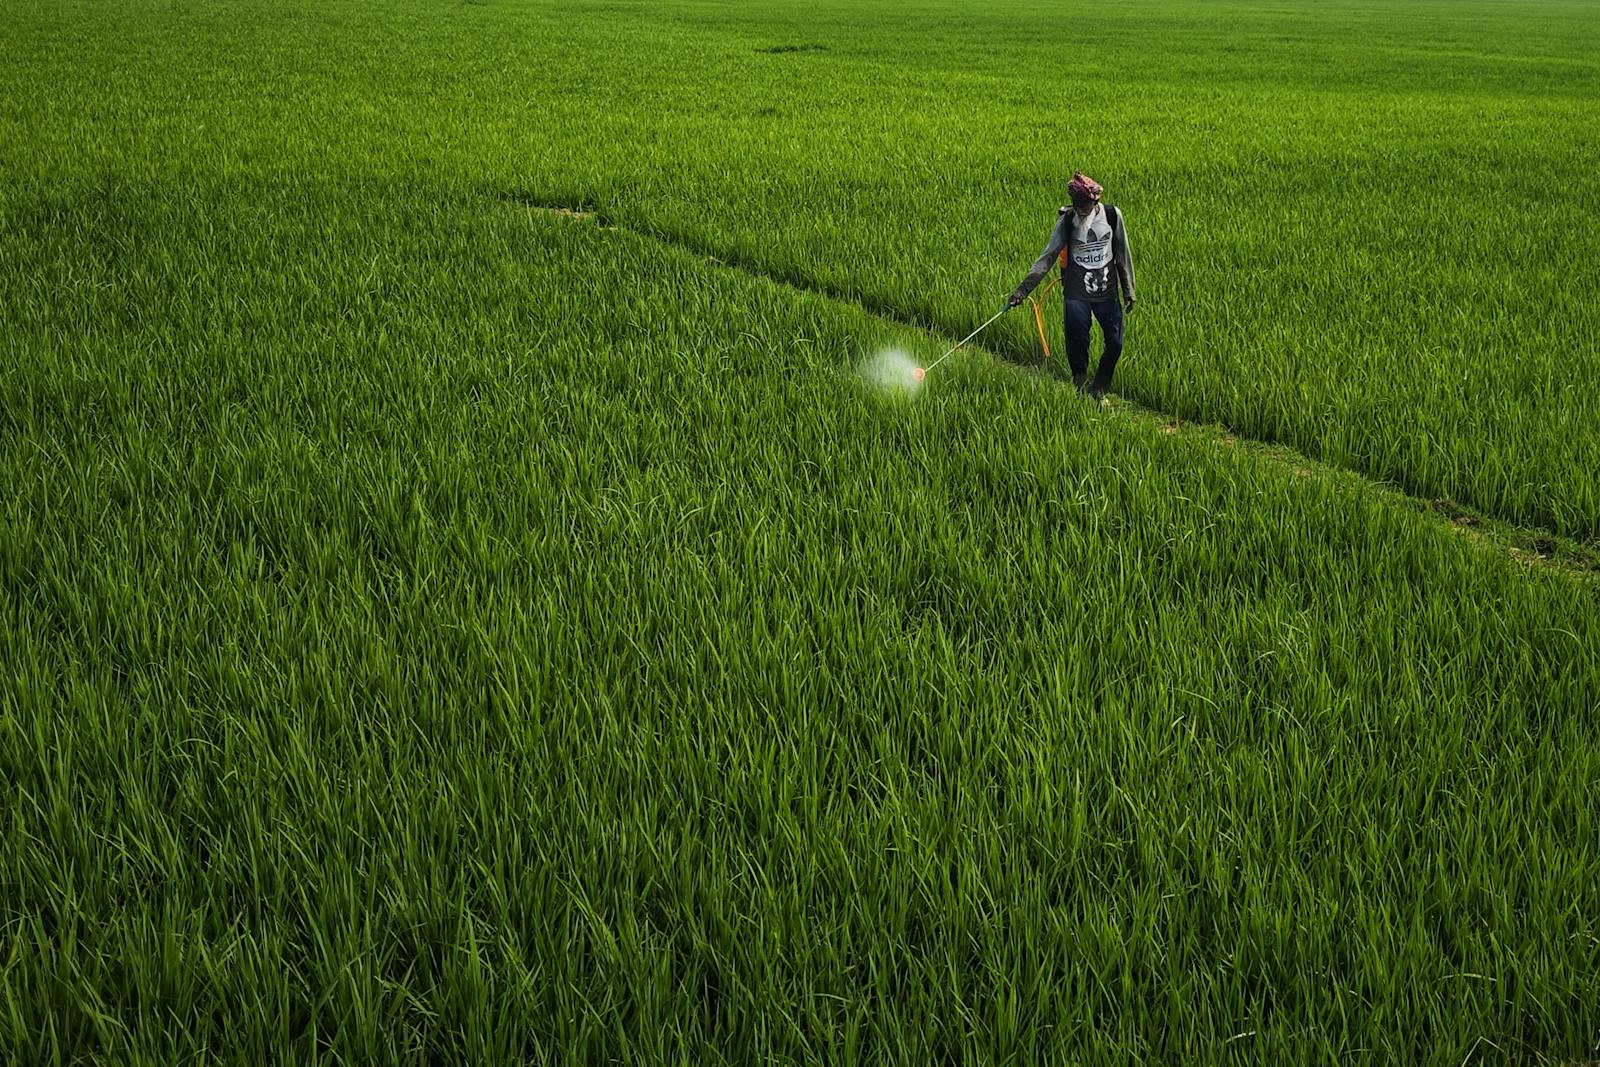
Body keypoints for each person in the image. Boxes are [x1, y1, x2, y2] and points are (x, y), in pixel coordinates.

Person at [1007, 171, 1136, 402]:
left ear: (1094, 201)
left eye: (1084, 204)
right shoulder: (1067, 221)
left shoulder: (1112, 215)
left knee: (1115, 342)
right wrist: (1022, 290)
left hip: (1106, 288)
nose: (1080, 208)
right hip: (1077, 290)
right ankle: (1081, 386)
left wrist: (1129, 289)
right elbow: (1047, 258)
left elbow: (1122, 253)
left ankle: (1099, 387)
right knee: (1077, 342)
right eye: (1076, 204)